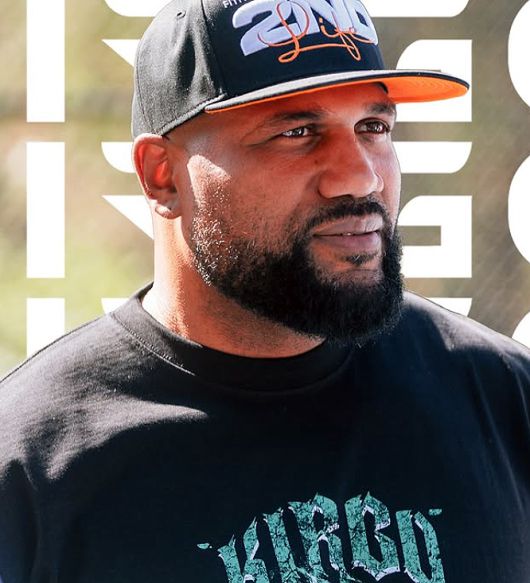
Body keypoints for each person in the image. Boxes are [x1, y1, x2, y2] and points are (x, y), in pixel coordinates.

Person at [1, 0, 529, 581]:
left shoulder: (504, 399)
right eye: (297, 133)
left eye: (373, 127)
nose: (360, 177)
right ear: (161, 174)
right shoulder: (31, 465)